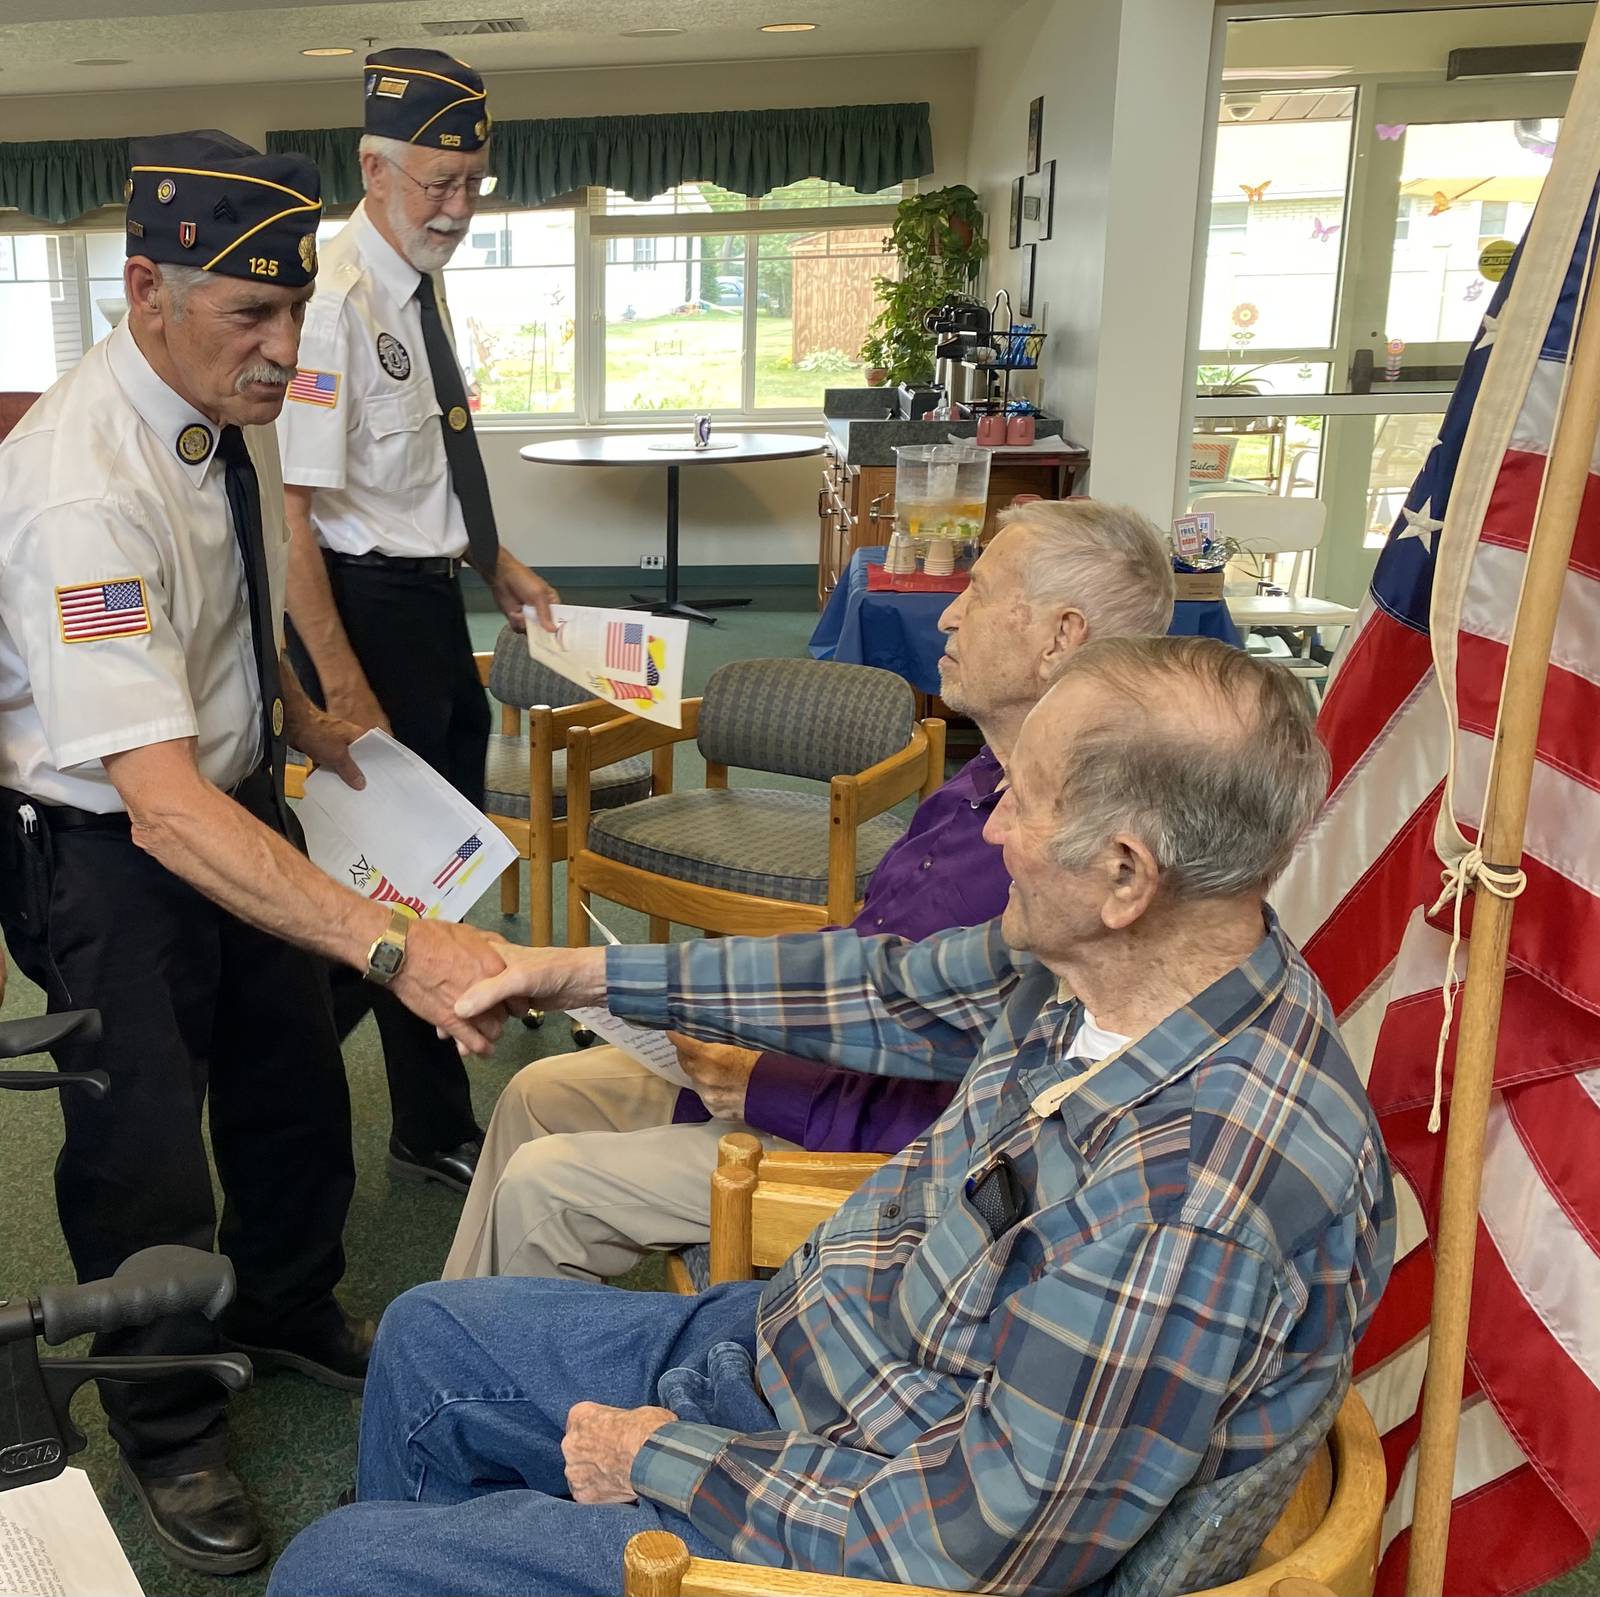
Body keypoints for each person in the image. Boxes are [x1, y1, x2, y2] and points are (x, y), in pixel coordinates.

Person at [268, 636, 1396, 1597]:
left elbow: (965, 1541)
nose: (992, 826)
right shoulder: (1130, 963)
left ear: (1123, 872)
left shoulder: (1191, 1197)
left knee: (337, 1569)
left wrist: (662, 1460)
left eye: (1023, 796)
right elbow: (872, 987)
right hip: (815, 1358)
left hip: (848, 1507)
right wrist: (580, 973)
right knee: (430, 1332)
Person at [0, 132, 509, 1576]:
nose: (287, 349)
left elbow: (218, 601)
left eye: (294, 310)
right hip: (109, 850)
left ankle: (283, 1304)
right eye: (250, 314)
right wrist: (392, 942)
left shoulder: (219, 393)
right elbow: (156, 803)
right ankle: (168, 1423)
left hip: (235, 794)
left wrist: (299, 710)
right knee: (144, 1146)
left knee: (291, 1078)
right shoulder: (78, 485)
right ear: (144, 289)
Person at [444, 500, 1177, 1280]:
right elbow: (869, 966)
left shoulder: (1069, 859)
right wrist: (628, 992)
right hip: (811, 1074)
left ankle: (472, 1348)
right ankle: (442, 1338)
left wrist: (763, 1083)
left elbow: (959, 1090)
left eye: (980, 590)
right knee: (534, 1093)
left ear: (1060, 637)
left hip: (869, 1160)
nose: (949, 614)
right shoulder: (980, 787)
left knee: (545, 1188)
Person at [277, 47, 558, 1195]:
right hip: (361, 617)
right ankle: (301, 1080)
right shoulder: (335, 300)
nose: (458, 205)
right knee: (390, 884)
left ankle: (400, 1076)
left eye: (473, 182)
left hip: (430, 599)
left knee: (437, 866)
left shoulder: (412, 281)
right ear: (373, 168)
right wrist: (343, 687)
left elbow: (422, 470)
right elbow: (296, 519)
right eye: (438, 181)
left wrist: (496, 559)